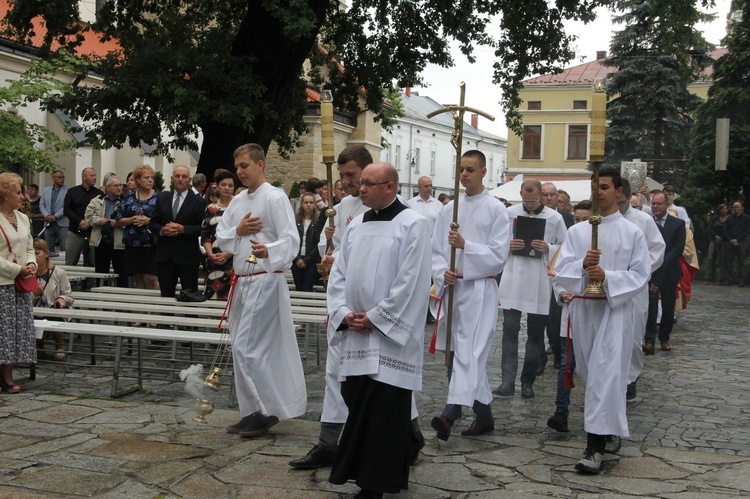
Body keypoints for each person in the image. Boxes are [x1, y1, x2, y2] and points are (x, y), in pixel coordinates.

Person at [327, 162, 431, 498]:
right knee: (354, 397)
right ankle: (406, 442)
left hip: (389, 337)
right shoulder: (356, 224)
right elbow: (338, 274)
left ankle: (373, 484)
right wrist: (343, 313)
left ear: (390, 186)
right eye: (362, 184)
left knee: (383, 409)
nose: (361, 189)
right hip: (356, 330)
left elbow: (411, 281)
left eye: (369, 184)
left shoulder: (413, 224)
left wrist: (377, 317)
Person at [554, 170, 650, 474]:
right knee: (589, 374)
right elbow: (561, 269)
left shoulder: (631, 232)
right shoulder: (578, 232)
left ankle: (593, 449)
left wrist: (607, 277)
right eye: (595, 186)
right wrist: (583, 265)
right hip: (584, 312)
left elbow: (640, 275)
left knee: (605, 375)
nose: (599, 192)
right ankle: (607, 430)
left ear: (619, 191)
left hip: (613, 313)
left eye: (605, 187)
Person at [290, 145, 375, 470]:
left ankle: (408, 437)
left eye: (351, 175)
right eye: (342, 176)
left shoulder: (385, 209)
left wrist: (337, 255)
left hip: (369, 307)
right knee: (335, 372)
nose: (346, 182)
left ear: (368, 170)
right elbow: (339, 251)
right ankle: (328, 443)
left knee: (380, 376)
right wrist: (329, 249)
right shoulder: (341, 208)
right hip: (341, 304)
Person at [217, 143, 306, 438]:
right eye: (237, 166)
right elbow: (222, 238)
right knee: (240, 347)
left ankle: (264, 411)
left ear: (260, 165)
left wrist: (268, 250)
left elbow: (291, 240)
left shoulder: (275, 197)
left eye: (245, 165)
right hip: (241, 281)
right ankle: (251, 411)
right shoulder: (239, 200)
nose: (240, 172)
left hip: (265, 280)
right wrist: (238, 232)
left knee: (247, 346)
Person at [431, 150, 510, 440]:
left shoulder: (496, 209)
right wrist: (443, 272)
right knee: (459, 352)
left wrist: (466, 246)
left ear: (483, 172)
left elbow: (499, 254)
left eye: (470, 169)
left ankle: (450, 413)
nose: (464, 174)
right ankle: (484, 415)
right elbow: (436, 249)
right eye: (461, 169)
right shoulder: (449, 209)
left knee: (470, 352)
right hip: (455, 288)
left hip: (479, 289)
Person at [494, 179, 566, 399]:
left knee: (535, 334)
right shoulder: (509, 213)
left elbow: (566, 249)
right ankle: (507, 381)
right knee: (510, 330)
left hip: (539, 280)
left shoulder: (555, 218)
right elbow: (495, 243)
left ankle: (528, 380)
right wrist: (508, 244)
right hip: (513, 277)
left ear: (542, 195)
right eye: (526, 200)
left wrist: (549, 248)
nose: (531, 204)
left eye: (535, 200)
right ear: (520, 195)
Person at [546, 200, 592, 433]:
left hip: (594, 313)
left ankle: (596, 416)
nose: (581, 224)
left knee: (595, 367)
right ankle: (560, 411)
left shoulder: (599, 243)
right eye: (577, 219)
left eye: (586, 219)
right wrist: (562, 292)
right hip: (572, 313)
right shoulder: (569, 243)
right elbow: (556, 274)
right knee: (566, 364)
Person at [617, 179, 665, 402]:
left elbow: (656, 249)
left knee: (634, 334)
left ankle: (630, 378)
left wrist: (639, 271)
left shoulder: (643, 221)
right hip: (608, 286)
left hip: (634, 288)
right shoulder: (596, 220)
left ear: (626, 196)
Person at [0, 172, 37, 394]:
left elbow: (30, 247)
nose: (23, 196)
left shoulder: (23, 218)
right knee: (1, 331)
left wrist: (31, 264)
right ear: (4, 195)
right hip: (2, 283)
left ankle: (7, 374)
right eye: (18, 192)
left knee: (14, 332)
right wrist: (17, 269)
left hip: (20, 284)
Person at [149, 165, 207, 297]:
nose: (180, 179)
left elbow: (202, 227)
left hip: (187, 256)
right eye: (177, 176)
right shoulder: (162, 198)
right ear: (172, 179)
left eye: (184, 176)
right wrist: (162, 230)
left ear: (190, 180)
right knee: (166, 295)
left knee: (190, 295)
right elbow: (153, 223)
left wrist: (184, 229)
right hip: (165, 256)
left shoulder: (198, 202)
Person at [644, 192, 686, 353]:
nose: (655, 207)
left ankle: (664, 338)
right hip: (652, 270)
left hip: (669, 271)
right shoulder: (648, 223)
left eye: (659, 204)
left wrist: (660, 260)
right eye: (653, 204)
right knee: (651, 306)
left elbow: (678, 248)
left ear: (666, 204)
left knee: (668, 306)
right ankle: (649, 340)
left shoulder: (677, 224)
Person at [116, 165, 160, 295]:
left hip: (151, 244)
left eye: (152, 178)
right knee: (138, 278)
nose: (150, 180)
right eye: (147, 178)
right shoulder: (129, 198)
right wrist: (132, 220)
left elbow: (164, 220)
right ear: (138, 180)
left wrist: (148, 221)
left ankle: (155, 311)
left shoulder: (159, 198)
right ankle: (141, 312)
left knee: (151, 278)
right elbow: (118, 219)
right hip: (133, 244)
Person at [32, 238, 74, 361]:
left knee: (54, 315)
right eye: (31, 253)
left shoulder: (59, 273)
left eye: (37, 253)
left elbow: (69, 296)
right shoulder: (27, 274)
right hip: (35, 309)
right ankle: (38, 346)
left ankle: (60, 345)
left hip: (55, 309)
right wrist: (34, 294)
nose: (34, 256)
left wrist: (61, 299)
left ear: (46, 254)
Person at [86, 176, 127, 288]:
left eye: (121, 185)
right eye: (116, 186)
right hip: (101, 241)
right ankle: (101, 299)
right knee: (101, 272)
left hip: (119, 242)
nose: (119, 188)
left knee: (121, 274)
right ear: (108, 187)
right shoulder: (97, 200)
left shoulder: (126, 201)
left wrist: (119, 223)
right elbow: (88, 217)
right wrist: (99, 220)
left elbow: (132, 220)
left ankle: (121, 300)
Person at [201, 169, 235, 300]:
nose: (227, 188)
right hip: (213, 260)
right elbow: (205, 235)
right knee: (213, 296)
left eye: (230, 185)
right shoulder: (210, 209)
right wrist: (210, 255)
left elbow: (243, 236)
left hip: (233, 260)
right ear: (218, 186)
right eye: (224, 185)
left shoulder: (239, 207)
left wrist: (228, 254)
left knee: (230, 298)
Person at [64, 167, 102, 267]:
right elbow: (67, 210)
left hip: (92, 232)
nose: (95, 177)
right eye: (91, 175)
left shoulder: (99, 194)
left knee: (93, 262)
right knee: (71, 261)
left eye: (95, 175)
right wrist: (79, 221)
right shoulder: (72, 191)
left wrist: (89, 222)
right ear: (84, 177)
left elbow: (100, 212)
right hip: (75, 230)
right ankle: (70, 282)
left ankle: (92, 283)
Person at [291, 192, 321, 292]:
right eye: (306, 202)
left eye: (311, 202)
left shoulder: (318, 222)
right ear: (302, 204)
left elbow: (319, 243)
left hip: (311, 261)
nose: (308, 205)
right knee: (298, 288)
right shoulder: (294, 221)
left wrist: (307, 260)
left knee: (307, 288)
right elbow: (291, 241)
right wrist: (297, 258)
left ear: (314, 205)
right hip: (296, 259)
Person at [39, 170, 68, 257]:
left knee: (65, 247)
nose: (62, 179)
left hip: (62, 223)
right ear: (53, 178)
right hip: (48, 223)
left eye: (63, 177)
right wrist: (47, 215)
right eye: (59, 177)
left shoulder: (68, 191)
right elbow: (42, 204)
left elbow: (66, 206)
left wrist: (55, 216)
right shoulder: (46, 190)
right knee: (48, 248)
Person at [722, 201, 750, 286]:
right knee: (729, 261)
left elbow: (747, 230)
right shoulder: (730, 218)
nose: (736, 208)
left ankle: (741, 280)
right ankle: (729, 279)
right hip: (730, 242)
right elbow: (725, 230)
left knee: (741, 262)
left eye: (738, 207)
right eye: (734, 207)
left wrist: (738, 239)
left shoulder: (746, 218)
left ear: (742, 208)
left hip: (740, 242)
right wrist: (730, 239)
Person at [706, 204, 730, 283]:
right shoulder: (715, 218)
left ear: (727, 210)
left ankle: (721, 277)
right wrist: (715, 236)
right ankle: (708, 277)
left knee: (722, 259)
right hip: (713, 239)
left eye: (725, 209)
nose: (723, 210)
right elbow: (710, 228)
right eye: (722, 209)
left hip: (724, 240)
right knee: (710, 258)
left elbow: (729, 230)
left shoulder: (730, 219)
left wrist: (721, 237)